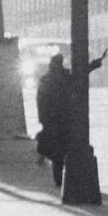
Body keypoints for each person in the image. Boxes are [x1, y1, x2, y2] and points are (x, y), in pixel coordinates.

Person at [33, 45, 73, 180]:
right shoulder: (67, 77)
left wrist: (42, 117)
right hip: (64, 117)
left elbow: (40, 99)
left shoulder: (46, 79)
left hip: (50, 118)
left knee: (52, 144)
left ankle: (45, 157)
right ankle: (61, 171)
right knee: (63, 145)